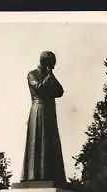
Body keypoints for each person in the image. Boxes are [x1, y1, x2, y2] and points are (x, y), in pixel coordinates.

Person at [20, 51, 66, 184]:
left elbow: (60, 91)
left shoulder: (49, 75)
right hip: (38, 109)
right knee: (37, 141)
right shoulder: (32, 74)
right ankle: (35, 175)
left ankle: (50, 174)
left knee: (50, 142)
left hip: (49, 112)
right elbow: (39, 88)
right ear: (47, 63)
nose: (54, 67)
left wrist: (50, 76)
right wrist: (48, 77)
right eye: (52, 64)